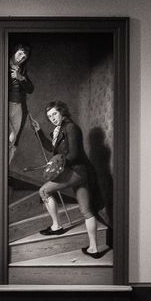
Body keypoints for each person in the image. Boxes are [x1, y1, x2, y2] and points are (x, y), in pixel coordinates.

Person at [30, 100, 109, 258]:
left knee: (44, 190)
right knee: (87, 211)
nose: (52, 118)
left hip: (78, 171)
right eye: (49, 116)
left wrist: (56, 163)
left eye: (54, 114)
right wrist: (39, 131)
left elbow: (75, 154)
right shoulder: (56, 131)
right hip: (79, 173)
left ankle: (56, 226)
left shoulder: (71, 127)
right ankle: (94, 249)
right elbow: (51, 147)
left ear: (62, 112)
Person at [7, 43, 34, 165]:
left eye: (24, 57)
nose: (21, 58)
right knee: (10, 137)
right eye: (20, 54)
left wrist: (20, 77)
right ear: (14, 51)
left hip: (18, 106)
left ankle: (4, 169)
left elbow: (30, 89)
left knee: (13, 143)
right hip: (4, 105)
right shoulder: (2, 63)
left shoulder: (22, 70)